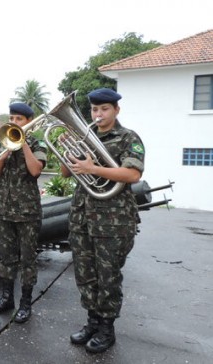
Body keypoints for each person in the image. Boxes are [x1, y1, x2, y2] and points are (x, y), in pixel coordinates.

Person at [60, 88, 145, 353]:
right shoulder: (85, 136)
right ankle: (92, 322)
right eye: (95, 110)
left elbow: (132, 175)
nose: (98, 114)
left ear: (116, 110)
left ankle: (107, 328)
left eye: (104, 109)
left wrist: (93, 168)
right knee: (85, 275)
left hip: (113, 220)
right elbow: (65, 173)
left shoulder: (128, 137)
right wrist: (67, 147)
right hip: (83, 218)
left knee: (107, 277)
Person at [0, 103, 48, 323]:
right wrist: (3, 156)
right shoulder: (2, 144)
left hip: (27, 212)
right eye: (11, 118)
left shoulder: (37, 144)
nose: (13, 122)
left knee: (28, 260)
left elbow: (35, 170)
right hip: (3, 210)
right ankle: (7, 298)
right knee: (6, 258)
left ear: (29, 121)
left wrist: (22, 145)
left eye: (19, 119)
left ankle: (25, 302)